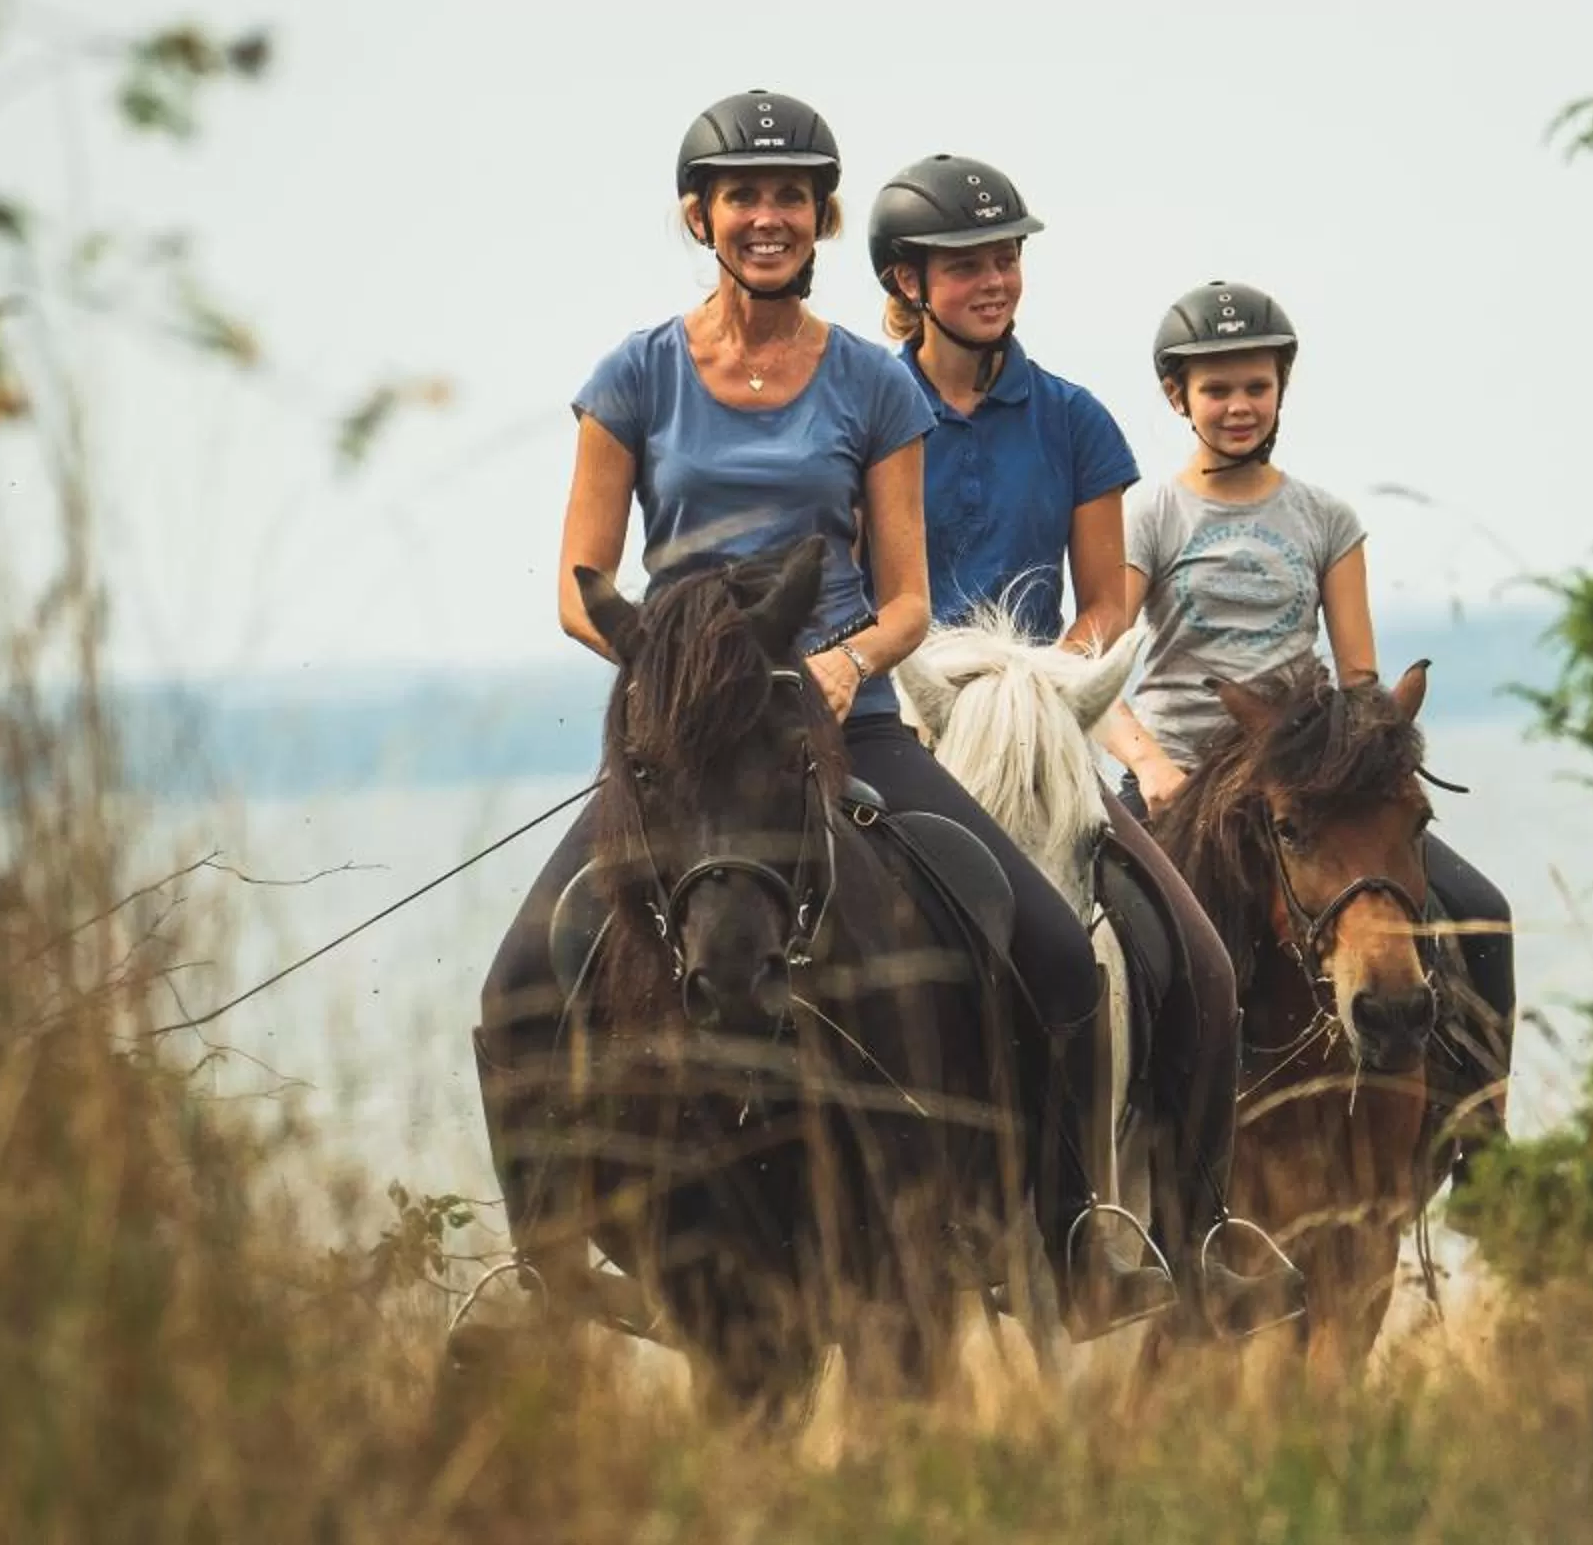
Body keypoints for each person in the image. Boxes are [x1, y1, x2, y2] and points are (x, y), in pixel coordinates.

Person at [472, 90, 1176, 1344]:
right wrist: (675, 670)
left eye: (792, 196)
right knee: (522, 980)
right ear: (700, 216)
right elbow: (582, 589)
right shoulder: (632, 377)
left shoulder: (867, 385)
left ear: (821, 218)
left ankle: (1071, 1235)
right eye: (744, 195)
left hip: (844, 720)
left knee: (1058, 957)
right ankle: (547, 1272)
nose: (769, 216)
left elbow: (906, 600)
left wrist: (844, 664)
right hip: (684, 740)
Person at [867, 156, 1302, 1333]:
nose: (996, 279)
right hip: (904, 721)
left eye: (1007, 257)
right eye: (968, 264)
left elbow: (1106, 601)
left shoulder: (1073, 419)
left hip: (1038, 730)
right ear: (908, 281)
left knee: (1201, 964)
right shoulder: (862, 406)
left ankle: (1190, 1236)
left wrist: (1035, 688)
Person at [1096, 280, 1518, 1191]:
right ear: (1177, 396)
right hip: (1180, 787)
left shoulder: (1325, 519)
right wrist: (1151, 767)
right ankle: (1116, 1154)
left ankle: (1484, 1150)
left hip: (1304, 787)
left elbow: (1357, 678)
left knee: (1480, 912)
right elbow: (1092, 666)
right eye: (1216, 389)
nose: (1238, 406)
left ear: (1281, 388)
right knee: (1120, 950)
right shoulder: (1150, 517)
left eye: (1255, 386)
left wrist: (1369, 752)